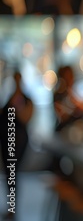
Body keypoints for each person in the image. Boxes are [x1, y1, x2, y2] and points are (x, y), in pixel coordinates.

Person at [0, 71, 32, 220]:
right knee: (10, 174)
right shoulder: (10, 96)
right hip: (7, 140)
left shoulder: (23, 99)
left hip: (16, 141)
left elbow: (24, 118)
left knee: (12, 173)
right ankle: (11, 206)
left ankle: (12, 207)